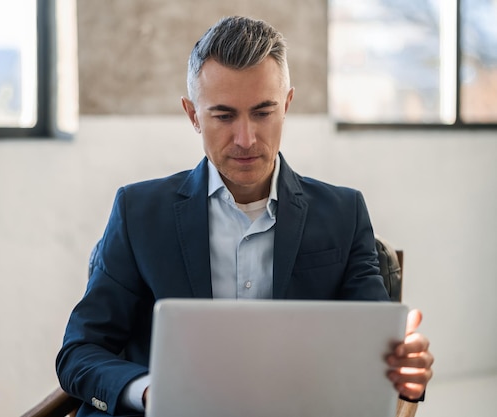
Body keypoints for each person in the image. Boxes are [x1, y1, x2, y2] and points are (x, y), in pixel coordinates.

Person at [56, 16, 434, 417]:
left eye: (262, 112)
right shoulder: (138, 213)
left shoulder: (344, 214)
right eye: (223, 116)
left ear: (286, 105)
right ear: (192, 115)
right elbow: (79, 353)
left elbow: (376, 352)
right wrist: (153, 392)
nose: (246, 139)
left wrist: (405, 368)